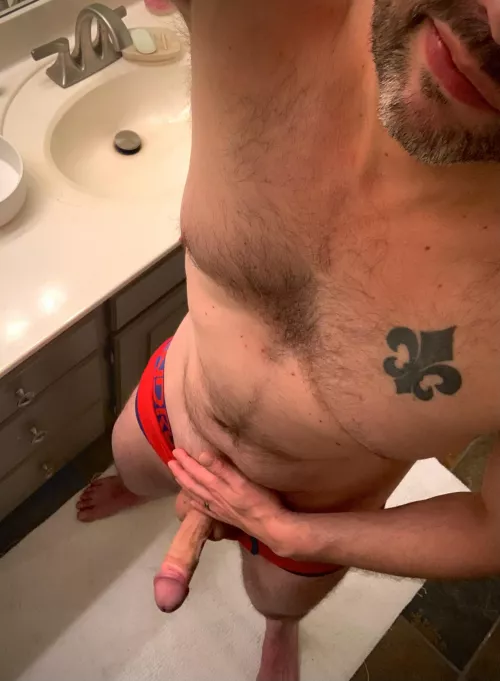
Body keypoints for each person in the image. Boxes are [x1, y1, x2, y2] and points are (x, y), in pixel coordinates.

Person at [76, 1, 500, 679]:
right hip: (168, 414)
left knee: (275, 599)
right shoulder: (264, 17)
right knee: (130, 468)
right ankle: (142, 490)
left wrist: (291, 533)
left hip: (313, 509)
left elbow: (491, 527)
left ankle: (279, 628)